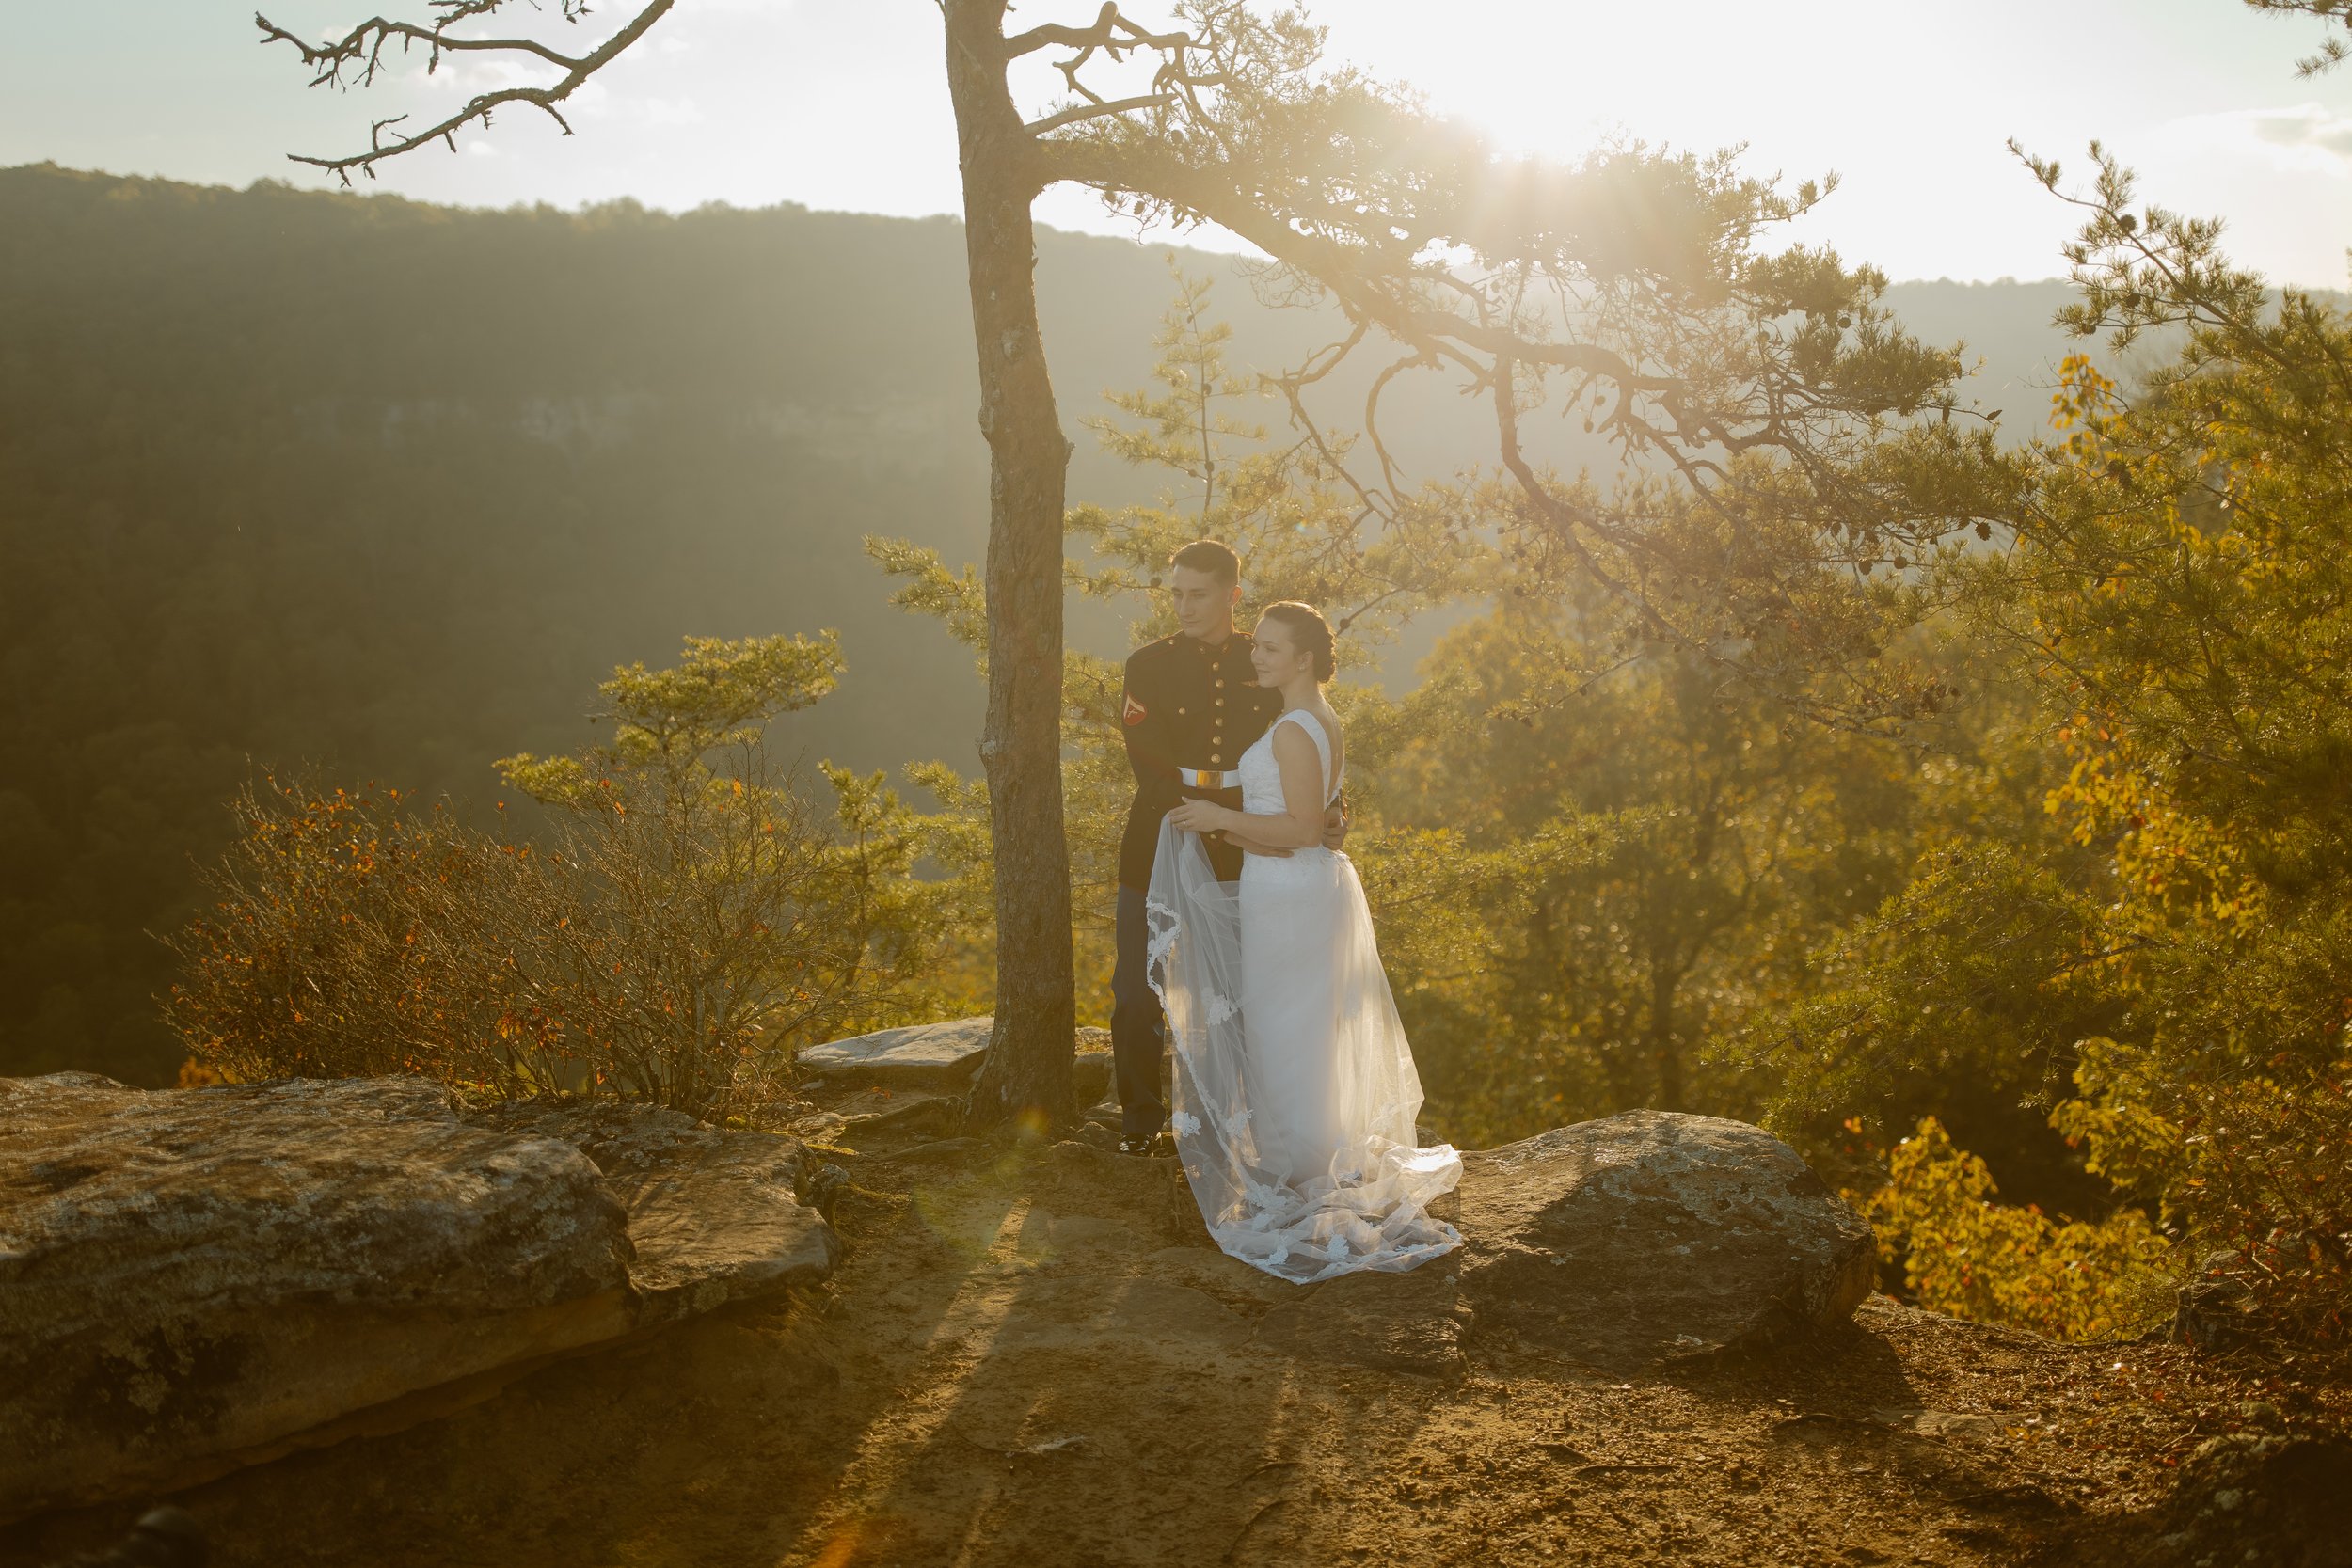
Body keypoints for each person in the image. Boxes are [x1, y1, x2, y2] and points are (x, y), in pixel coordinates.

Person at [1151, 601, 1463, 1282]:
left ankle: (1299, 1174)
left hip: (1289, 895)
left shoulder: (1294, 729)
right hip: (1295, 890)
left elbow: (1296, 830)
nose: (1256, 656)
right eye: (1256, 645)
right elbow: (1311, 821)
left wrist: (1215, 816)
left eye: (1269, 648)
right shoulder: (1318, 719)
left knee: (1284, 1030)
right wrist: (1228, 830)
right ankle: (1309, 1161)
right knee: (1299, 1030)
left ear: (1303, 658)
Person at [1108, 542, 1345, 1158]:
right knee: (1137, 987)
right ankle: (1139, 1119)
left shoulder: (1264, 658)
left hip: (1248, 843)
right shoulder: (1147, 664)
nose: (1184, 606)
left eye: (1199, 594)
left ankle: (1234, 1120)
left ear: (1232, 595)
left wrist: (1332, 809)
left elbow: (1305, 737)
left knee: (1239, 990)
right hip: (1159, 830)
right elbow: (1149, 762)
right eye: (1177, 593)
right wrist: (1196, 816)